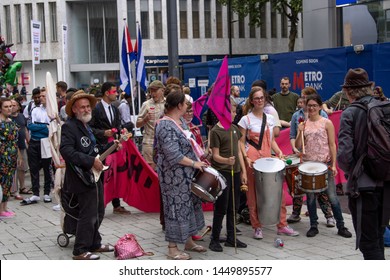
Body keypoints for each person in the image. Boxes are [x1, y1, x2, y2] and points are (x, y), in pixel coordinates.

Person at [337, 68, 388, 259]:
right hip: (386, 181)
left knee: (368, 243)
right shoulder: (384, 105)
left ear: (349, 91)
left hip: (363, 186)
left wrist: (353, 172)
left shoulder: (349, 113)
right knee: (379, 236)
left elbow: (344, 156)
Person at [60, 90, 116, 260]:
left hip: (93, 176)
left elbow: (95, 151)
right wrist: (90, 161)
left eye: (87, 106)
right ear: (74, 110)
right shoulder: (69, 127)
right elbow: (66, 150)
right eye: (82, 107)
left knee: (98, 211)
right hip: (80, 177)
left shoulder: (86, 126)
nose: (86, 109)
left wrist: (113, 146)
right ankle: (80, 250)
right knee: (88, 214)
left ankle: (94, 243)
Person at [238, 86, 299, 239]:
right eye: (256, 98)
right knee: (253, 193)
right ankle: (257, 226)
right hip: (252, 156)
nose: (259, 100)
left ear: (265, 99)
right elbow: (240, 142)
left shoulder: (270, 118)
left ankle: (282, 224)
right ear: (251, 101)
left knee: (277, 190)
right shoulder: (245, 119)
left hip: (267, 156)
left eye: (261, 98)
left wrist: (278, 151)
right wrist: (246, 157)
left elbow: (271, 140)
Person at [154, 89, 208, 260]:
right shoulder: (164, 125)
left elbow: (189, 145)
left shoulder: (181, 122)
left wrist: (202, 155)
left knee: (190, 207)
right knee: (176, 210)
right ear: (178, 105)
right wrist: (194, 163)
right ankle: (172, 248)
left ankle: (189, 241)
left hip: (186, 175)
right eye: (185, 104)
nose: (187, 107)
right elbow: (173, 155)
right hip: (173, 178)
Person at [295, 94, 352, 239]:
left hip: (324, 165)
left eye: (315, 105)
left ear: (320, 107)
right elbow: (298, 146)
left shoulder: (327, 123)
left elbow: (332, 145)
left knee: (332, 197)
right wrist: (300, 131)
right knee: (311, 197)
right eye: (309, 105)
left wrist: (333, 164)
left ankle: (341, 226)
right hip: (308, 165)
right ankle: (313, 226)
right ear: (306, 107)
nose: (312, 108)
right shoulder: (303, 124)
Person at [288, 87, 334, 226]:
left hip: (320, 158)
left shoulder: (323, 116)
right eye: (302, 97)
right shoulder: (297, 116)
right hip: (304, 157)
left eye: (305, 97)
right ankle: (296, 213)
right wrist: (295, 147)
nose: (302, 99)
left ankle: (328, 215)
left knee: (321, 189)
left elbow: (328, 138)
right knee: (299, 185)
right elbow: (292, 135)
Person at [208, 103, 248, 252]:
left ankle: (232, 236)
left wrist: (243, 171)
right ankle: (215, 238)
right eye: (231, 112)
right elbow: (216, 156)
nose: (234, 114)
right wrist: (226, 161)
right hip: (223, 172)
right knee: (221, 207)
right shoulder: (216, 131)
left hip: (235, 172)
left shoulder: (235, 129)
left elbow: (238, 152)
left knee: (234, 205)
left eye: (235, 112)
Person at [89, 82, 130, 215]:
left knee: (114, 174)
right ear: (107, 93)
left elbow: (117, 126)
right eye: (114, 92)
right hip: (100, 147)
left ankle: (116, 204)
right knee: (101, 175)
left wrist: (122, 131)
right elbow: (89, 129)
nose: (116, 94)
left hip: (113, 146)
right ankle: (98, 204)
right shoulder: (95, 109)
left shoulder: (115, 109)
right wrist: (103, 133)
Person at [22, 88, 53, 205]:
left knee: (46, 168)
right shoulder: (35, 110)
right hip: (34, 142)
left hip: (46, 142)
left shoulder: (52, 112)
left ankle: (46, 193)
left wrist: (43, 128)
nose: (41, 98)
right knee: (34, 168)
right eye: (40, 96)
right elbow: (31, 126)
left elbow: (52, 129)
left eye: (43, 96)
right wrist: (44, 127)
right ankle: (35, 193)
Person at [0, 98, 22, 218]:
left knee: (8, 182)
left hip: (11, 156)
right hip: (2, 156)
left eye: (10, 106)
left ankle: (4, 207)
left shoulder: (11, 122)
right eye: (6, 107)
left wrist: (18, 155)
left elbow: (15, 141)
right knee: (2, 181)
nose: (9, 108)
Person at [136, 80, 165, 170]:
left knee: (164, 168)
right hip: (149, 142)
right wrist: (145, 119)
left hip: (165, 142)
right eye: (151, 91)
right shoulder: (146, 104)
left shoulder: (168, 103)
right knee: (150, 171)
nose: (153, 93)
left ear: (162, 90)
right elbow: (137, 124)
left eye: (155, 91)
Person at [9, 99, 28, 200]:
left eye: (14, 105)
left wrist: (28, 141)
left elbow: (25, 129)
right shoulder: (8, 118)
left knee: (22, 167)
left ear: (18, 107)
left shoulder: (21, 116)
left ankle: (22, 187)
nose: (12, 107)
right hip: (12, 147)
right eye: (10, 106)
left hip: (22, 145)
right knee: (13, 169)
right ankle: (13, 189)